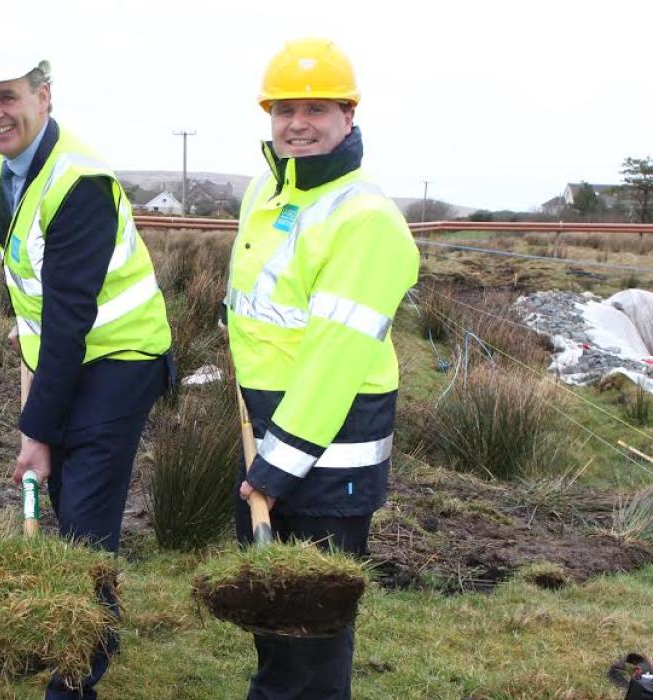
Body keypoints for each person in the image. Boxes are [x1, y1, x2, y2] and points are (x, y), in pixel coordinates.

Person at [0, 47, 174, 699]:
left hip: (121, 359)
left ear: (44, 96)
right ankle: (89, 626)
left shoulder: (77, 182)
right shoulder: (9, 169)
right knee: (65, 503)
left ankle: (76, 678)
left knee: (84, 520)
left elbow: (71, 317)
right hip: (66, 353)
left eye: (8, 97)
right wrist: (39, 417)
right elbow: (34, 296)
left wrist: (34, 435)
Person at [226, 37, 419, 700]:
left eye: (315, 108)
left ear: (348, 115)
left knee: (311, 633)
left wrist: (273, 472)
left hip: (325, 454)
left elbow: (334, 361)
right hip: (266, 435)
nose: (296, 123)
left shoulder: (366, 219)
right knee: (273, 621)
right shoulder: (267, 190)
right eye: (283, 109)